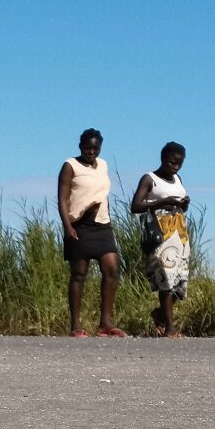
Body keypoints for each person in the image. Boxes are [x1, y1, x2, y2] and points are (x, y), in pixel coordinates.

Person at [59, 128, 125, 338]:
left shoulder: (103, 165)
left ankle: (105, 323)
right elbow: (62, 198)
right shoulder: (71, 165)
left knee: (112, 269)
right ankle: (75, 325)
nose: (91, 152)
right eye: (88, 147)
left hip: (102, 224)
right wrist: (68, 226)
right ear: (81, 146)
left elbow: (102, 193)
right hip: (79, 224)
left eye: (95, 148)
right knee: (79, 274)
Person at [131, 141, 192, 337]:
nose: (175, 166)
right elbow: (136, 206)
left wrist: (183, 204)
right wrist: (163, 201)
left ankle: (159, 314)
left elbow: (180, 207)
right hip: (161, 232)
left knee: (179, 281)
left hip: (179, 232)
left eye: (179, 163)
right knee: (166, 277)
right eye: (172, 162)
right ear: (163, 159)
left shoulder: (178, 179)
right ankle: (170, 328)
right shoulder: (150, 179)